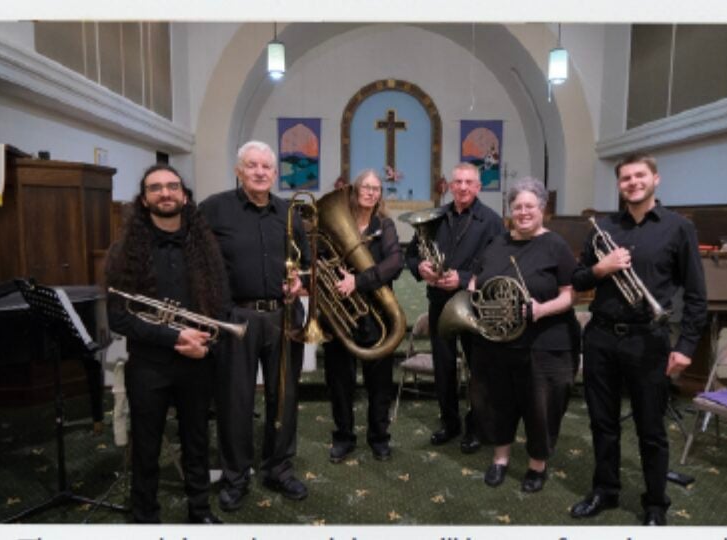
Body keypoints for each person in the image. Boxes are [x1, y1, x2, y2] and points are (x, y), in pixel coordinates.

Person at [569, 153, 707, 526]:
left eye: (639, 175)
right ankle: (605, 490)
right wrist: (602, 268)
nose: (633, 182)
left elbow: (696, 295)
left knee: (651, 428)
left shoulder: (679, 228)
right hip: (600, 337)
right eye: (626, 178)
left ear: (655, 179)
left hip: (648, 339)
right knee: (602, 422)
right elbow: (578, 279)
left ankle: (655, 504)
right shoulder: (603, 228)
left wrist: (686, 347)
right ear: (619, 185)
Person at [105, 163, 227, 524]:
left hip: (197, 361)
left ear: (184, 196)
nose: (165, 193)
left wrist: (206, 346)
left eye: (172, 186)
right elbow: (119, 319)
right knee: (146, 446)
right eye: (155, 188)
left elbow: (220, 309)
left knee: (197, 442)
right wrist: (175, 336)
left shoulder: (206, 250)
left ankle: (200, 511)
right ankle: (145, 516)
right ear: (144, 200)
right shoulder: (123, 252)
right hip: (148, 366)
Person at [200, 140, 310, 510]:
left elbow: (306, 263)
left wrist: (299, 281)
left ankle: (279, 468)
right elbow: (196, 262)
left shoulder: (290, 213)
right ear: (238, 170)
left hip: (283, 316)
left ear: (275, 173)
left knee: (284, 399)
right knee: (235, 401)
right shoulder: (214, 209)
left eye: (266, 167)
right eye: (252, 165)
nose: (260, 172)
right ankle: (236, 476)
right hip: (236, 317)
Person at [469, 178, 579, 493]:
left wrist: (542, 309)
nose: (523, 212)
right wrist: (475, 295)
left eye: (530, 206)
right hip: (498, 342)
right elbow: (476, 279)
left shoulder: (555, 245)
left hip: (544, 342)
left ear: (542, 209)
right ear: (510, 211)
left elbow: (570, 294)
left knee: (541, 407)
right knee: (497, 402)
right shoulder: (497, 243)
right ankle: (500, 459)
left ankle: (536, 465)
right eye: (517, 207)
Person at [405, 162, 506, 452]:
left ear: (478, 187)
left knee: (477, 368)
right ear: (450, 186)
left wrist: (462, 279)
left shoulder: (492, 221)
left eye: (468, 182)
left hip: (475, 305)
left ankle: (475, 426)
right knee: (443, 367)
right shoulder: (435, 217)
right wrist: (420, 267)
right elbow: (411, 254)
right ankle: (449, 422)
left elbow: (499, 265)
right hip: (439, 303)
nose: (462, 187)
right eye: (458, 182)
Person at [323, 169, 404, 463]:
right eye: (366, 187)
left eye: (376, 188)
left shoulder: (385, 225)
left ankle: (379, 437)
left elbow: (395, 262)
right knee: (339, 381)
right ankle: (343, 437)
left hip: (376, 315)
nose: (371, 192)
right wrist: (337, 279)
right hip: (340, 313)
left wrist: (357, 281)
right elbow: (321, 258)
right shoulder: (333, 223)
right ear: (355, 191)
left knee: (379, 383)